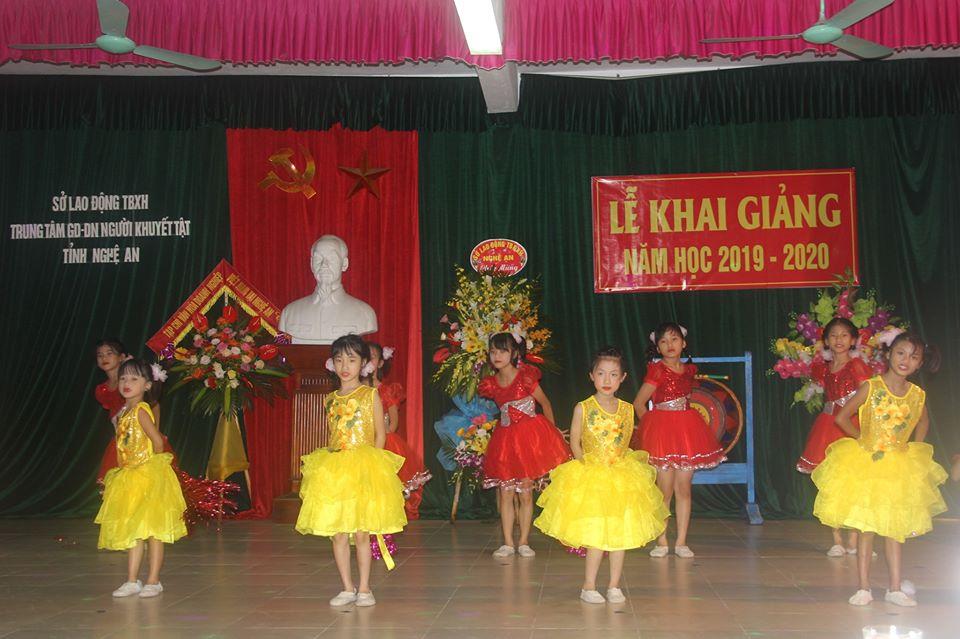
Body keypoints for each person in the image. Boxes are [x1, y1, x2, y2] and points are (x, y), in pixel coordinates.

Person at [813, 332, 947, 607]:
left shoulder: (917, 395)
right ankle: (864, 588)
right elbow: (842, 417)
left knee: (895, 530)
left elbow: (923, 421)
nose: (905, 360)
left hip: (898, 468)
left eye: (913, 357)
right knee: (868, 529)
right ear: (888, 354)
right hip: (869, 465)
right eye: (900, 353)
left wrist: (914, 445)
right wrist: (863, 440)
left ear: (920, 363)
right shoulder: (871, 387)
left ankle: (894, 589)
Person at [535, 347, 669, 604]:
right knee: (596, 533)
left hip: (620, 477)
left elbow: (626, 441)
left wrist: (618, 465)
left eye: (613, 374)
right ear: (592, 376)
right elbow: (575, 441)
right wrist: (586, 465)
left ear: (623, 378)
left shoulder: (627, 409)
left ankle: (614, 585)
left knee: (619, 533)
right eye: (601, 373)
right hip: (593, 477)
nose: (607, 380)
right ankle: (589, 586)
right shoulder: (583, 408)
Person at [295, 335, 407, 607]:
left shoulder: (370, 395)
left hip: (363, 466)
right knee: (338, 532)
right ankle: (347, 587)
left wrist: (373, 469)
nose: (345, 366)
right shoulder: (330, 399)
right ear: (331, 364)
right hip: (336, 469)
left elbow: (380, 434)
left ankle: (365, 588)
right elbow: (334, 434)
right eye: (339, 360)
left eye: (352, 360)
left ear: (364, 363)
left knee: (361, 531)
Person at [94, 358, 187, 598]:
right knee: (134, 530)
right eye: (123, 378)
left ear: (147, 385)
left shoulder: (141, 410)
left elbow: (157, 442)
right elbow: (121, 447)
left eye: (134, 379)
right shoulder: (123, 413)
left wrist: (151, 470)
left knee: (154, 530)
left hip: (147, 475)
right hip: (129, 478)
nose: (127, 383)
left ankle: (153, 580)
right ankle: (132, 580)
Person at [633, 322, 724, 558]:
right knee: (664, 490)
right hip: (662, 435)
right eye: (663, 341)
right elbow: (639, 403)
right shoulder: (656, 370)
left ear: (683, 343)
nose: (669, 345)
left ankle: (681, 542)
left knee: (684, 488)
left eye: (674, 339)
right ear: (657, 348)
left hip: (686, 433)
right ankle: (662, 540)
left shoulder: (689, 370)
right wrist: (652, 428)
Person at [479, 332, 570, 558]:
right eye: (493, 351)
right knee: (506, 493)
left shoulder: (526, 377)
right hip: (505, 442)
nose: (497, 355)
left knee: (526, 494)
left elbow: (545, 404)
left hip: (529, 439)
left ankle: (524, 541)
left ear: (514, 353)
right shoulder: (490, 383)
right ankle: (508, 543)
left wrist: (551, 435)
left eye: (503, 351)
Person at [795, 318, 873, 556]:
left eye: (844, 335)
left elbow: (867, 396)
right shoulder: (824, 368)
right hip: (828, 427)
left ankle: (854, 539)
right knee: (830, 483)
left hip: (850, 425)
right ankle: (837, 540)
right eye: (833, 335)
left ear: (853, 340)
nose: (839, 340)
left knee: (854, 482)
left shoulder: (857, 365)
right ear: (826, 341)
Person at [364, 342, 431, 519]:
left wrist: (386, 438)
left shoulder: (387, 390)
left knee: (385, 480)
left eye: (373, 357)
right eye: (365, 356)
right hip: (362, 442)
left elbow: (394, 421)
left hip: (385, 441)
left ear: (380, 363)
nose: (368, 360)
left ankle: (385, 514)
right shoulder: (357, 390)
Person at [279, 235, 378, 343]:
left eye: (332, 258)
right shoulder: (289, 313)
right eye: (318, 258)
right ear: (311, 264)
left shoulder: (364, 314)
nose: (324, 265)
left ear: (344, 264)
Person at [94, 339, 129, 484]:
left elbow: (153, 404)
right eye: (100, 355)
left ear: (121, 357)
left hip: (140, 436)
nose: (104, 358)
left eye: (109, 353)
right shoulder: (101, 390)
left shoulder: (130, 381)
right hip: (121, 440)